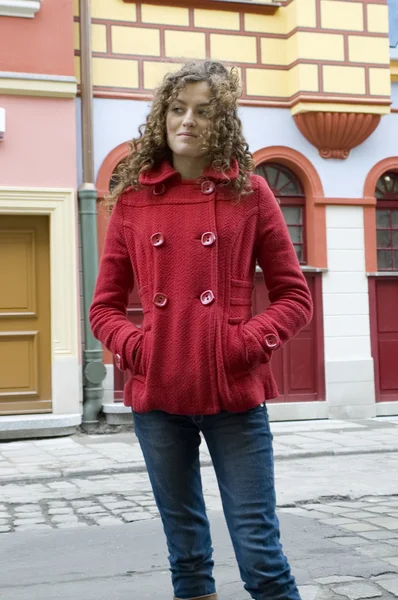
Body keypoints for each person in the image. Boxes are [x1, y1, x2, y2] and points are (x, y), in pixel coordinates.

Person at [90, 60, 313, 600]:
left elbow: (294, 297)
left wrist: (237, 344)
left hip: (234, 394)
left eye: (203, 111)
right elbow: (103, 308)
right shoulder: (133, 201)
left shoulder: (250, 193)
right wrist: (141, 349)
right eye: (177, 108)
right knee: (186, 555)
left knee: (260, 552)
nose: (186, 121)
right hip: (159, 397)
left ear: (223, 123)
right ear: (162, 117)